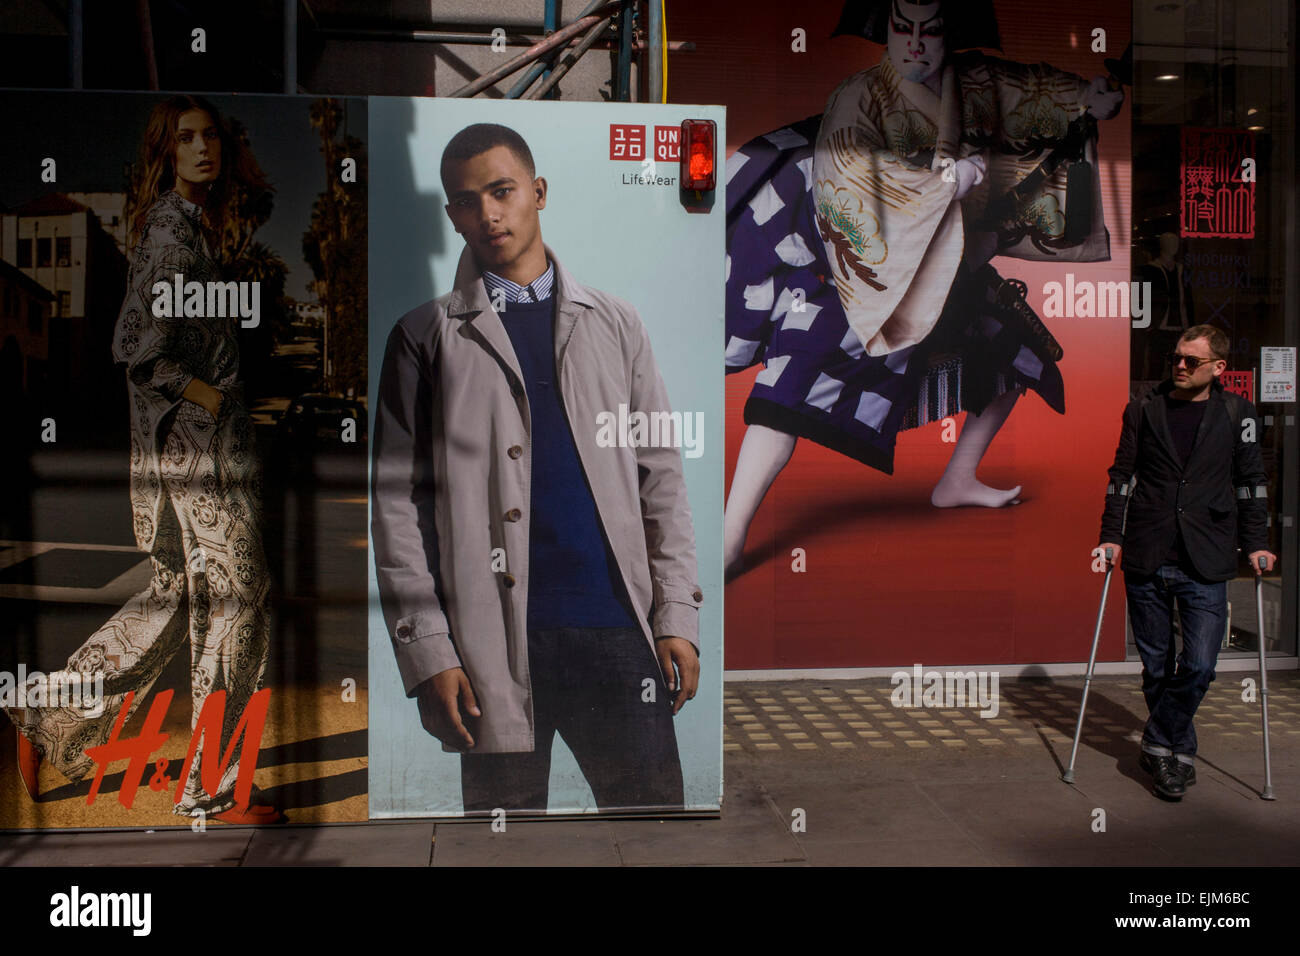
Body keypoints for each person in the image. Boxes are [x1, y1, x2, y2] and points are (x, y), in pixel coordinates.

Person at [723, 0, 1125, 576]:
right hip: (856, 276)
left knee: (1015, 351)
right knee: (789, 387)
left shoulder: (975, 82)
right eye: (902, 29)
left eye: (931, 31)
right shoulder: (859, 96)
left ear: (948, 35)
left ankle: (957, 478)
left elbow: (1031, 90)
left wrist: (1088, 97)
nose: (915, 43)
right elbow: (846, 180)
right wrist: (942, 183)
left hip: (944, 262)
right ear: (885, 30)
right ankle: (732, 535)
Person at [371, 123, 702, 813]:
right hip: (490, 647)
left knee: (659, 836)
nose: (488, 214)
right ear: (451, 215)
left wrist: (676, 613)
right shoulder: (422, 337)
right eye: (467, 201)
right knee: (500, 850)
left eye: (502, 192)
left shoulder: (615, 322)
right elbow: (397, 509)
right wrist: (431, 651)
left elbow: (660, 477)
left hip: (617, 633)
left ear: (537, 193)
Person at [4, 95, 279, 824]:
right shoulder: (169, 237)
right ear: (166, 150)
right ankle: (213, 789)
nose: (203, 150)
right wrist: (209, 400)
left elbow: (258, 197)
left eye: (212, 138)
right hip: (200, 451)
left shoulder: (191, 229)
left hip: (201, 447)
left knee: (181, 597)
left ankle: (49, 713)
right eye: (186, 139)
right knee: (237, 600)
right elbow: (137, 351)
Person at [1098, 324, 1274, 800]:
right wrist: (1110, 536)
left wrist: (1257, 542)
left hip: (1207, 555)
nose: (1179, 365)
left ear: (1218, 368)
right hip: (1148, 552)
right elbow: (1122, 476)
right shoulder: (1143, 408)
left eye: (1191, 361)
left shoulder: (1238, 413)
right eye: (1176, 357)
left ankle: (1156, 742)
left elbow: (1251, 482)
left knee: (1198, 665)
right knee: (1157, 669)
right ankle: (1178, 754)